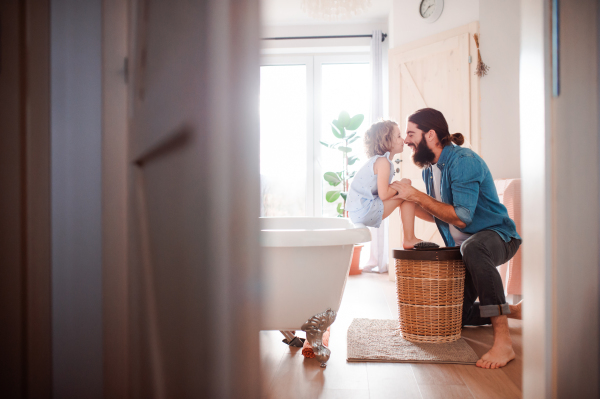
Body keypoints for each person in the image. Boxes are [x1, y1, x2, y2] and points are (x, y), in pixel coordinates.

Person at [390, 108, 523, 369]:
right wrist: (402, 199)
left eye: (410, 133)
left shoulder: (463, 161)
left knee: (473, 247)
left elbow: (462, 218)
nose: (406, 140)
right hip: (464, 247)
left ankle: (503, 341)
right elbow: (440, 215)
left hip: (498, 237)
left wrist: (416, 196)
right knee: (454, 316)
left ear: (430, 135)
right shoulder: (430, 170)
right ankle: (513, 310)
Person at [346, 120, 435, 250]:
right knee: (406, 190)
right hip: (366, 210)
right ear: (386, 141)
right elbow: (384, 195)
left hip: (359, 211)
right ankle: (409, 238)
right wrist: (400, 186)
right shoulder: (383, 162)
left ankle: (411, 237)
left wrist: (397, 187)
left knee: (405, 188)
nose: (403, 140)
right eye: (398, 136)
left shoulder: (379, 161)